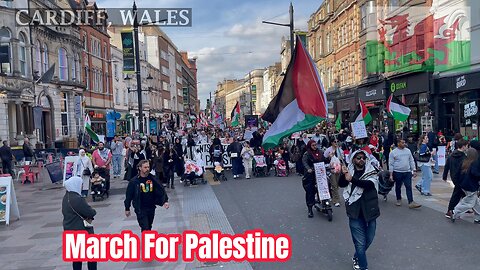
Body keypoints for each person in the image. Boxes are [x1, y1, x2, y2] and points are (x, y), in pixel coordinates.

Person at [338, 150, 379, 270]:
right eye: (358, 158)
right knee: (360, 243)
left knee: (369, 239)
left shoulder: (371, 170)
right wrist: (343, 174)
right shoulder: (349, 171)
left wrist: (352, 180)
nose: (361, 160)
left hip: (370, 210)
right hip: (355, 211)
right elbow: (341, 184)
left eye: (363, 158)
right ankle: (363, 266)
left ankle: (357, 256)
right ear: (353, 159)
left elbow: (369, 185)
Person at [62, 176, 97, 270]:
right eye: (81, 184)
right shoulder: (77, 198)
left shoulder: (66, 197)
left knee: (77, 258)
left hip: (70, 230)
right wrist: (93, 212)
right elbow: (90, 212)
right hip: (81, 230)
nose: (82, 186)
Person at [124, 160, 170, 231]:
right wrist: (127, 208)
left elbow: (160, 189)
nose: (147, 169)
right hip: (140, 208)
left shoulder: (153, 178)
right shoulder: (134, 182)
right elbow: (129, 195)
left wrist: (165, 201)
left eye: (148, 167)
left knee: (149, 226)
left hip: (151, 207)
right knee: (145, 227)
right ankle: (147, 240)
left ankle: (147, 239)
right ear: (140, 168)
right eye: (145, 167)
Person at [389, 139, 422, 209]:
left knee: (408, 186)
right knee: (398, 186)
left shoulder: (408, 151)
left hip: (407, 172)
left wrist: (414, 170)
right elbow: (391, 164)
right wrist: (391, 175)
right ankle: (398, 199)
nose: (404, 144)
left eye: (404, 142)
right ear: (398, 143)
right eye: (402, 143)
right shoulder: (393, 152)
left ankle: (411, 202)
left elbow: (411, 160)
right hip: (397, 172)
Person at [451, 148, 480, 224]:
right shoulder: (475, 163)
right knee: (469, 203)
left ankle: (478, 217)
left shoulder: (464, 162)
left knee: (476, 202)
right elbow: (475, 173)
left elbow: (457, 173)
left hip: (464, 185)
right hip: (471, 185)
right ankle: (455, 212)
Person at [443, 139, 467, 219]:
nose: (467, 147)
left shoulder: (451, 155)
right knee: (457, 195)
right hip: (462, 178)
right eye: (466, 146)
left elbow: (446, 166)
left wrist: (444, 176)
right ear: (463, 146)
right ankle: (450, 210)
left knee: (462, 194)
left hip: (454, 177)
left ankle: (460, 209)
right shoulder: (464, 157)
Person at [302, 140, 327, 218]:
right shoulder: (307, 154)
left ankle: (325, 203)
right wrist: (308, 169)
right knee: (310, 191)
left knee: (326, 187)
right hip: (310, 174)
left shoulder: (320, 151)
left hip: (320, 173)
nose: (315, 147)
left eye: (315, 145)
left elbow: (324, 159)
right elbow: (304, 162)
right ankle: (310, 209)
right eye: (313, 145)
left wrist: (329, 157)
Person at [324, 139, 344, 207]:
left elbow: (343, 159)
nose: (336, 143)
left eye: (337, 141)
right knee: (334, 184)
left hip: (338, 169)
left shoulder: (340, 150)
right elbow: (324, 159)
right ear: (332, 142)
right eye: (335, 142)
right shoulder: (328, 150)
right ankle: (336, 200)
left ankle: (333, 196)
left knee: (337, 184)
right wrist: (329, 157)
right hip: (331, 169)